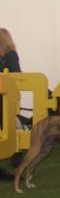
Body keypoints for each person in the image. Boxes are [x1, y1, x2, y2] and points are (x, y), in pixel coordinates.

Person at [0, 28, 21, 181]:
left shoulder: (8, 56)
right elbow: (18, 76)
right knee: (12, 126)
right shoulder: (11, 55)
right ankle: (17, 153)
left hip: (3, 100)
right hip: (4, 101)